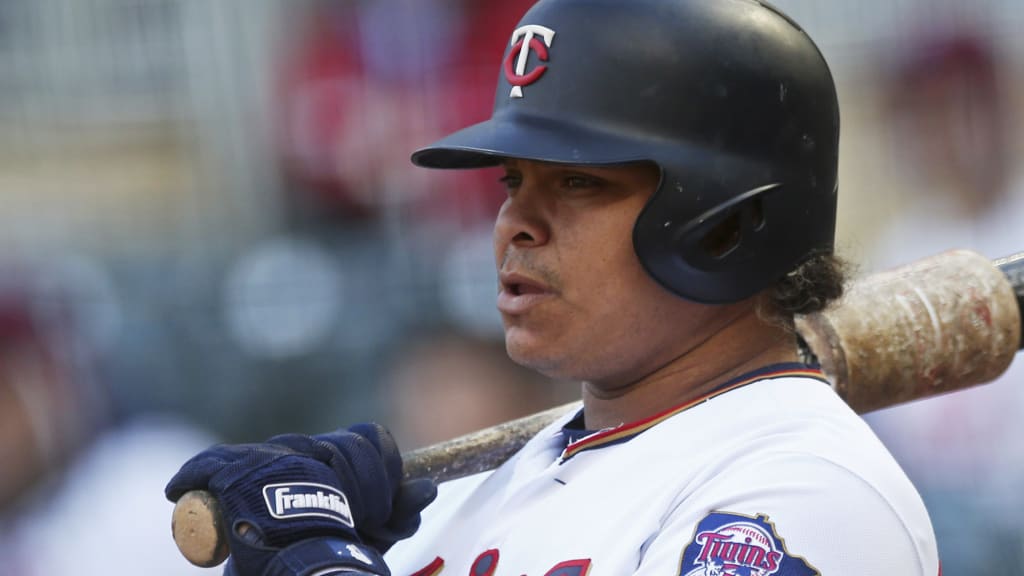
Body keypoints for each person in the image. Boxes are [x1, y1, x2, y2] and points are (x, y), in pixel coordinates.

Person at [165, 1, 940, 574]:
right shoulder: (489, 490)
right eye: (511, 180)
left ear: (728, 222)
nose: (512, 223)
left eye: (575, 182)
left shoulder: (804, 491)